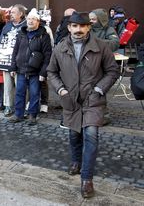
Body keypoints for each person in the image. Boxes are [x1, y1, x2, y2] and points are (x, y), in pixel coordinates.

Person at [47, 12, 119, 198]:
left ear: (88, 27)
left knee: (91, 135)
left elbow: (112, 71)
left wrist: (98, 89)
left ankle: (87, 179)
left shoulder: (101, 47)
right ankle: (75, 161)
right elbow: (51, 72)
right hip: (70, 100)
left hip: (93, 100)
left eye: (82, 26)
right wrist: (61, 90)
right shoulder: (60, 48)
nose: (78, 30)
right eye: (74, 26)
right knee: (74, 134)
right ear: (69, 27)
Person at [9, 8, 52, 125]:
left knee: (34, 93)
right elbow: (15, 51)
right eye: (29, 19)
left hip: (36, 71)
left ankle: (33, 115)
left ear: (38, 21)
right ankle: (18, 114)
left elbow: (48, 56)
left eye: (33, 19)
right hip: (21, 69)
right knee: (19, 92)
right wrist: (13, 67)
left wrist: (43, 72)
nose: (30, 21)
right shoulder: (21, 34)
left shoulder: (44, 36)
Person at [0, 4, 27, 116]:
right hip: (6, 60)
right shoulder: (7, 26)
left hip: (20, 61)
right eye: (11, 12)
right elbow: (0, 42)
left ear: (21, 14)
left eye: (13, 12)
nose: (10, 14)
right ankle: (8, 106)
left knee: (21, 86)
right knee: (7, 85)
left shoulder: (26, 26)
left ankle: (22, 107)